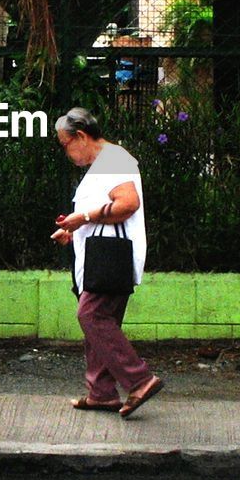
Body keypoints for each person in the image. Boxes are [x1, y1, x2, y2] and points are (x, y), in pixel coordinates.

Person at [51, 107, 163, 418]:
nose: (66, 151)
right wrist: (74, 229)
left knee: (91, 316)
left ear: (82, 136)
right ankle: (101, 393)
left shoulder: (113, 161)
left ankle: (139, 379)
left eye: (65, 144)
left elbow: (127, 204)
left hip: (110, 258)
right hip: (103, 256)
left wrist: (83, 217)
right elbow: (107, 213)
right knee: (100, 323)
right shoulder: (106, 163)